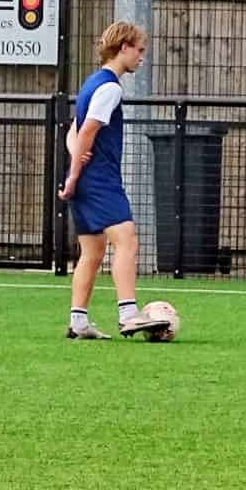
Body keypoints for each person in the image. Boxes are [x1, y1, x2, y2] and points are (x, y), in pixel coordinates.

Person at [58, 20, 166, 340]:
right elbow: (88, 130)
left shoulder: (92, 83)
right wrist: (76, 174)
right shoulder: (110, 87)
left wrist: (74, 161)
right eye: (139, 50)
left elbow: (73, 132)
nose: (141, 58)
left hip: (86, 178)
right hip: (100, 180)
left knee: (92, 250)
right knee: (127, 239)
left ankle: (78, 322)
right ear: (123, 48)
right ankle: (129, 313)